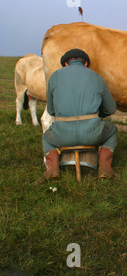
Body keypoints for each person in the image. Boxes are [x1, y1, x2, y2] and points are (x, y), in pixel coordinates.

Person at [35, 49, 118, 184]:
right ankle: (105, 169)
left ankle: (52, 170)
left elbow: (51, 110)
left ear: (66, 64)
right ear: (85, 63)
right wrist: (96, 117)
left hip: (62, 136)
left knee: (46, 138)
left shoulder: (54, 76)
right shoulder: (96, 77)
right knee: (112, 130)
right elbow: (111, 108)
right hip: (92, 135)